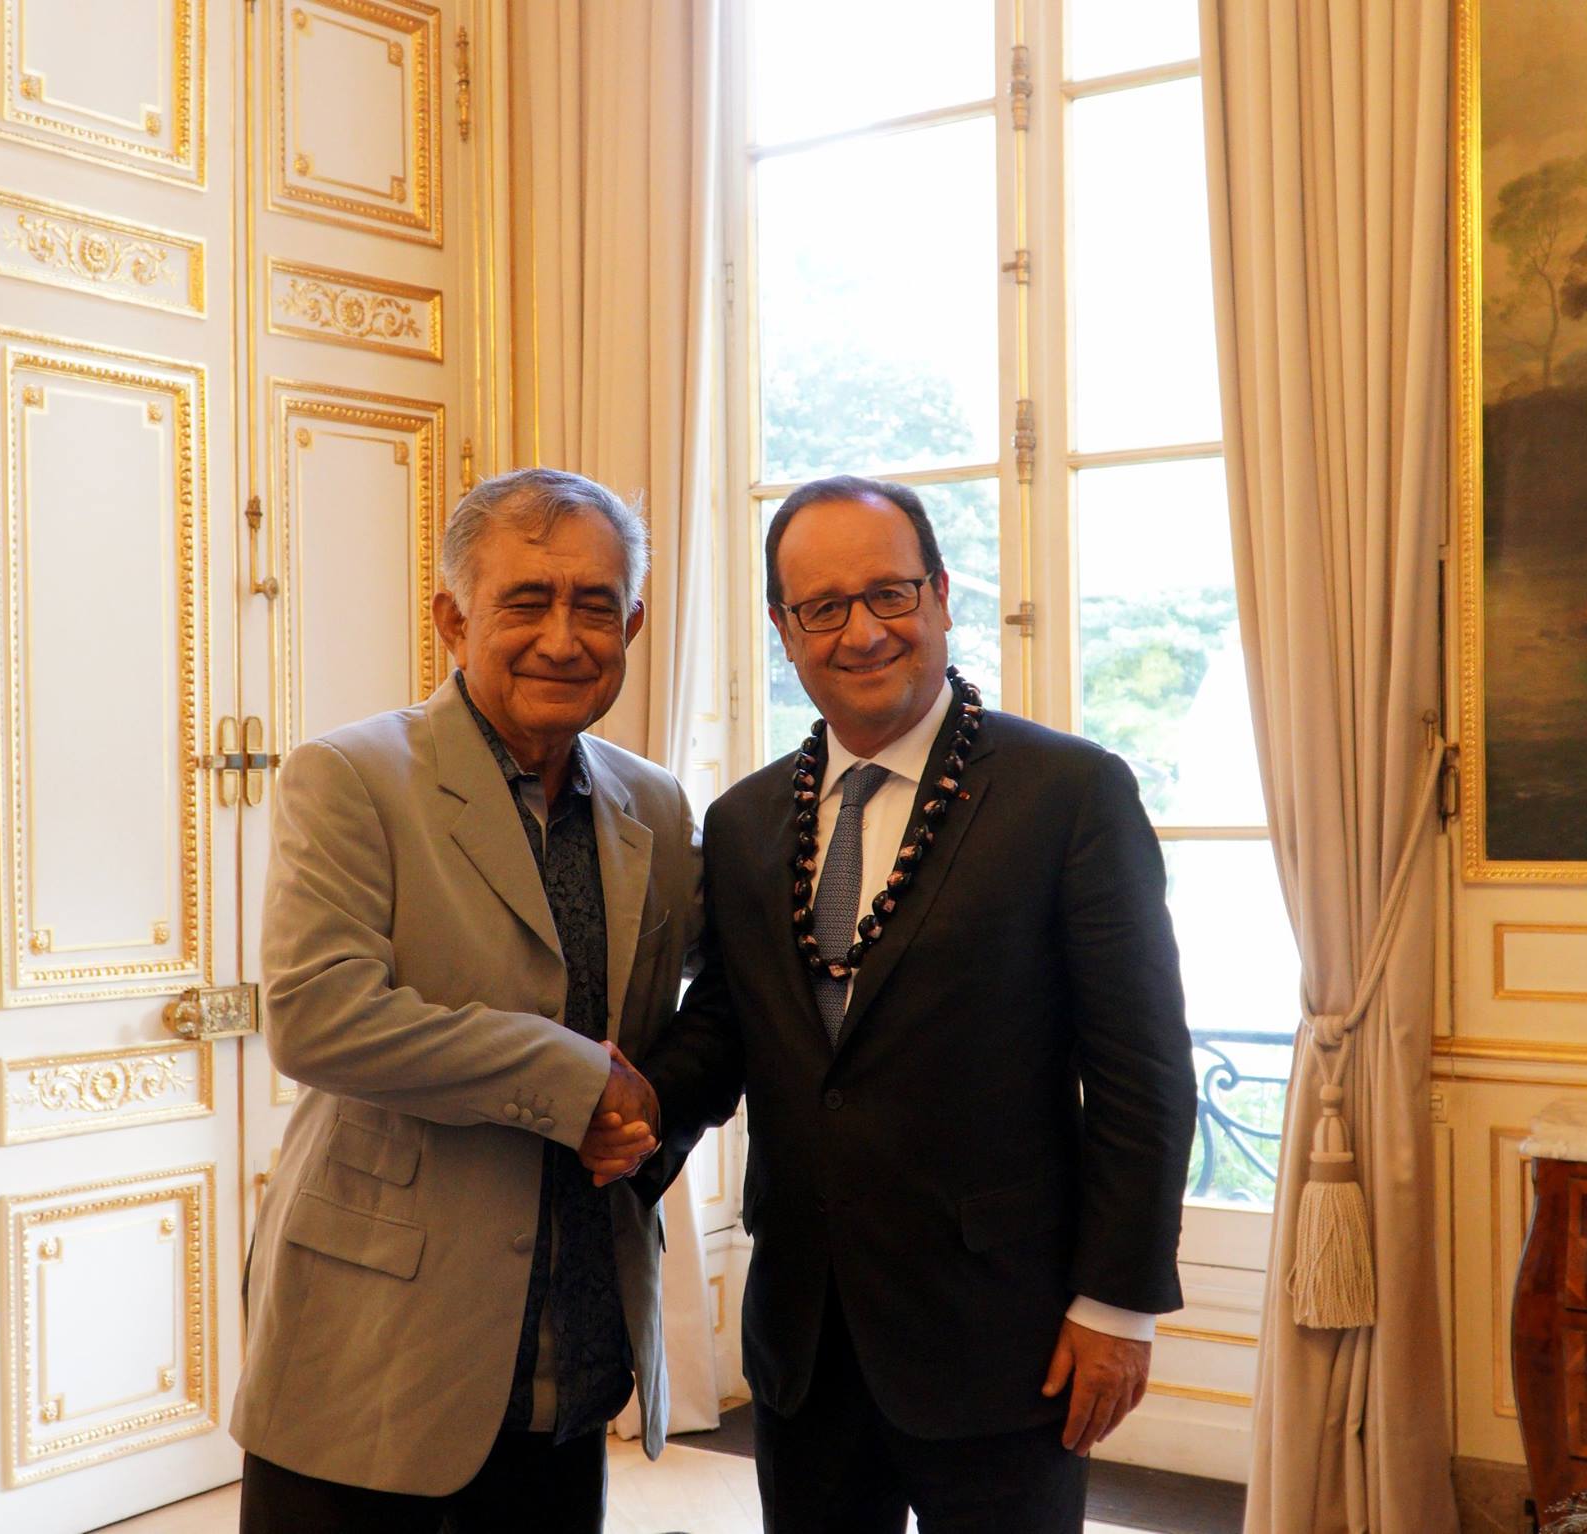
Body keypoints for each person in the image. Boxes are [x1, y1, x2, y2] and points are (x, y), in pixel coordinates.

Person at [625, 475, 1198, 1534]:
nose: (861, 632)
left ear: (939, 595)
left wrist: (1116, 1306)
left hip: (1005, 1338)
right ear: (782, 630)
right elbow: (733, 1022)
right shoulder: (746, 820)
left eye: (888, 593)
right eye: (822, 607)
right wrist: (632, 1103)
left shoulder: (1066, 794)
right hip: (802, 1335)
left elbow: (1140, 1070)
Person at [230, 468, 694, 1534]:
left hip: (571, 1341)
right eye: (525, 601)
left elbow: (684, 1018)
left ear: (631, 622)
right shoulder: (349, 775)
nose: (562, 638)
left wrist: (650, 1117)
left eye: (594, 606)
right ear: (452, 617)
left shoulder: (654, 806)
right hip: (374, 1345)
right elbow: (316, 1017)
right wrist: (571, 1076)